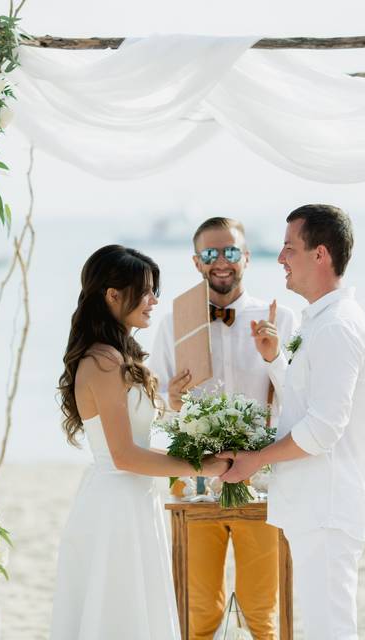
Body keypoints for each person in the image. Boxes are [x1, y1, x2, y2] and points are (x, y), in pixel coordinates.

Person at [219, 204, 365, 640]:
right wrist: (275, 359)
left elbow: (323, 429)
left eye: (289, 248)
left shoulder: (337, 328)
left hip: (328, 504)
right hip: (317, 502)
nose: (280, 259)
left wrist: (255, 460)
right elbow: (305, 396)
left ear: (320, 255)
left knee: (331, 630)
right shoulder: (324, 322)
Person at [50, 244, 230, 640]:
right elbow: (125, 454)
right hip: (115, 504)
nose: (153, 301)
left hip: (135, 498)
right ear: (112, 295)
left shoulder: (119, 356)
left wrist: (173, 404)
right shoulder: (102, 362)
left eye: (155, 291)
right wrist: (201, 465)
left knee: (137, 610)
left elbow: (138, 431)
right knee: (118, 612)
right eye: (144, 291)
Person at [151, 217, 296, 640]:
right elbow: (152, 400)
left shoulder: (281, 319)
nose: (221, 262)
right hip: (194, 479)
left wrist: (273, 358)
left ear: (246, 258)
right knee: (198, 612)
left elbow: (298, 401)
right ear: (196, 262)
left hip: (262, 480)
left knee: (261, 611)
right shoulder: (173, 323)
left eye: (230, 252)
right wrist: (172, 403)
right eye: (210, 254)